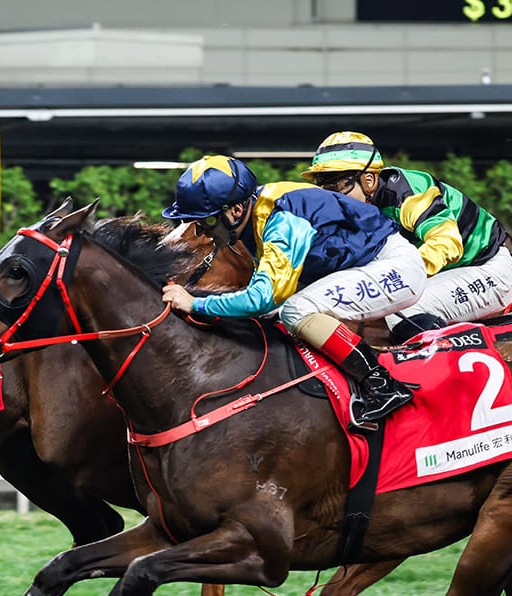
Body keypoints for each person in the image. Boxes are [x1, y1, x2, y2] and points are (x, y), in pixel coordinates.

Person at [160, 155, 428, 427]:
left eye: (206, 223)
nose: (205, 234)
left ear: (236, 211)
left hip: (394, 267)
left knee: (296, 310)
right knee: (280, 314)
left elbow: (262, 299)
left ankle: (381, 384)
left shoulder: (282, 220)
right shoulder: (256, 217)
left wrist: (196, 304)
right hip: (363, 266)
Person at [301, 131, 512, 342]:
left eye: (339, 187)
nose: (334, 199)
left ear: (368, 180)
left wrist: (398, 276)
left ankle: (441, 371)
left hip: (486, 270)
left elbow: (447, 244)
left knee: (397, 313)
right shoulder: (354, 212)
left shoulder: (409, 192)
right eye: (326, 191)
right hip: (442, 277)